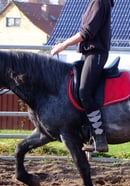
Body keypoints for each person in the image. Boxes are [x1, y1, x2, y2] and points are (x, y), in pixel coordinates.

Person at [51, 0, 114, 152]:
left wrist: (63, 45)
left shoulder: (99, 2)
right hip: (89, 53)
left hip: (96, 54)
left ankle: (100, 137)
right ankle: (84, 130)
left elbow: (86, 32)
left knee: (84, 91)